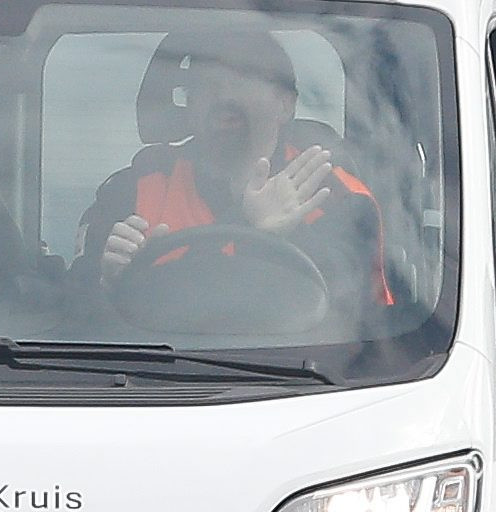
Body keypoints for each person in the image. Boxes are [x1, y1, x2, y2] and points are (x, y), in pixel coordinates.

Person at [79, 27, 388, 311]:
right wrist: (109, 283)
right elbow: (74, 314)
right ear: (189, 106)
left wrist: (287, 234)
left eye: (241, 78)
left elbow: (353, 317)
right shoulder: (133, 191)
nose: (223, 94)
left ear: (285, 104)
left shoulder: (339, 197)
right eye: (204, 84)